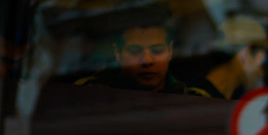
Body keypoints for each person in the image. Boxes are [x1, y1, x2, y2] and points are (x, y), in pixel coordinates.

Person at [75, 15, 213, 97]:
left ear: (170, 51)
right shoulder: (88, 92)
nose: (147, 60)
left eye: (157, 51)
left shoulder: (194, 97)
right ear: (117, 53)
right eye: (135, 51)